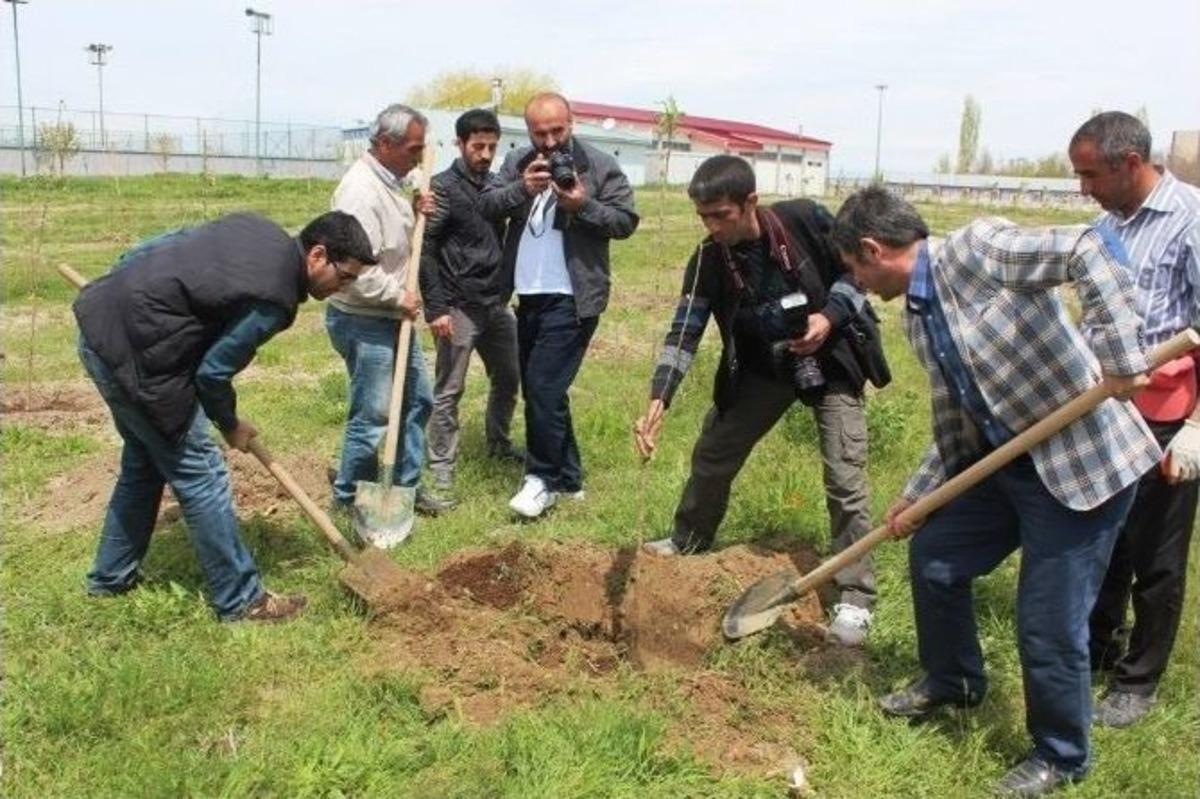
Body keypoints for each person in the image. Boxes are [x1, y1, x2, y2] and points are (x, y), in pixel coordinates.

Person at [832, 186, 1158, 797]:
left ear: (873, 249)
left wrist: (1121, 355)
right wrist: (918, 494)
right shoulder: (917, 316)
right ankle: (953, 680)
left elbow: (1088, 247)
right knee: (936, 559)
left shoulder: (976, 250)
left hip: (1082, 466)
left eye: (854, 267)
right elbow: (962, 416)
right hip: (1010, 466)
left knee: (1047, 621)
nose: (858, 281)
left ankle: (1061, 754)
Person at [632, 155, 891, 646]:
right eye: (703, 217)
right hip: (762, 369)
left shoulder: (805, 220)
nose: (712, 227)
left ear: (750, 202)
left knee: (845, 476)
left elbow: (857, 273)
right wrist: (659, 398)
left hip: (832, 360)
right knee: (713, 452)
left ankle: (856, 596)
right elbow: (684, 331)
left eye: (721, 215)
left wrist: (828, 318)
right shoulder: (709, 259)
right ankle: (689, 539)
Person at [73, 210, 376, 622]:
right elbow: (212, 373)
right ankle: (242, 601)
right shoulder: (275, 298)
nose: (346, 287)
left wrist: (121, 286)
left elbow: (157, 245)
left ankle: (109, 579)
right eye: (345, 277)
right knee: (202, 473)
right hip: (139, 362)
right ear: (318, 255)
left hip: (99, 327)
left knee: (144, 463)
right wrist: (230, 425)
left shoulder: (257, 227)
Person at [1068, 111, 1200, 728]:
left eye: (1091, 174)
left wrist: (1197, 429)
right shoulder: (1104, 228)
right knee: (1108, 542)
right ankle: (1099, 649)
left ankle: (1137, 682)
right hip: (1107, 411)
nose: (1083, 188)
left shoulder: (1190, 220)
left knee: (1157, 555)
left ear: (1129, 163)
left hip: (1169, 416)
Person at [477, 92, 639, 518]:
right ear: (528, 131)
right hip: (527, 295)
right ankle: (569, 480)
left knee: (544, 388)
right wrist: (521, 188)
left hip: (574, 297)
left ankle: (541, 480)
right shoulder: (519, 161)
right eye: (539, 133)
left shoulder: (599, 165)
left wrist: (583, 206)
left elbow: (625, 221)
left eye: (557, 131)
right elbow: (487, 203)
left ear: (572, 122)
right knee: (542, 390)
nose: (549, 142)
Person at [325, 103, 450, 544]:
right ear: (384, 143)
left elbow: (391, 241)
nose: (419, 157)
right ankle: (348, 497)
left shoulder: (390, 182)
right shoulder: (360, 192)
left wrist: (415, 209)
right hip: (365, 317)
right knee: (374, 413)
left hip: (393, 316)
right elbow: (354, 269)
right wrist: (399, 296)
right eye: (413, 149)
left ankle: (405, 488)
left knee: (417, 400)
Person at [420, 108, 523, 502]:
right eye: (477, 146)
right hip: (458, 305)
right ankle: (441, 467)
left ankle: (499, 443)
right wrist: (436, 308)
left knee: (509, 377)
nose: (485, 154)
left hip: (496, 303)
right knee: (450, 389)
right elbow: (426, 250)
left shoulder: (497, 185)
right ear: (460, 144)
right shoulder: (442, 189)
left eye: (492, 147)